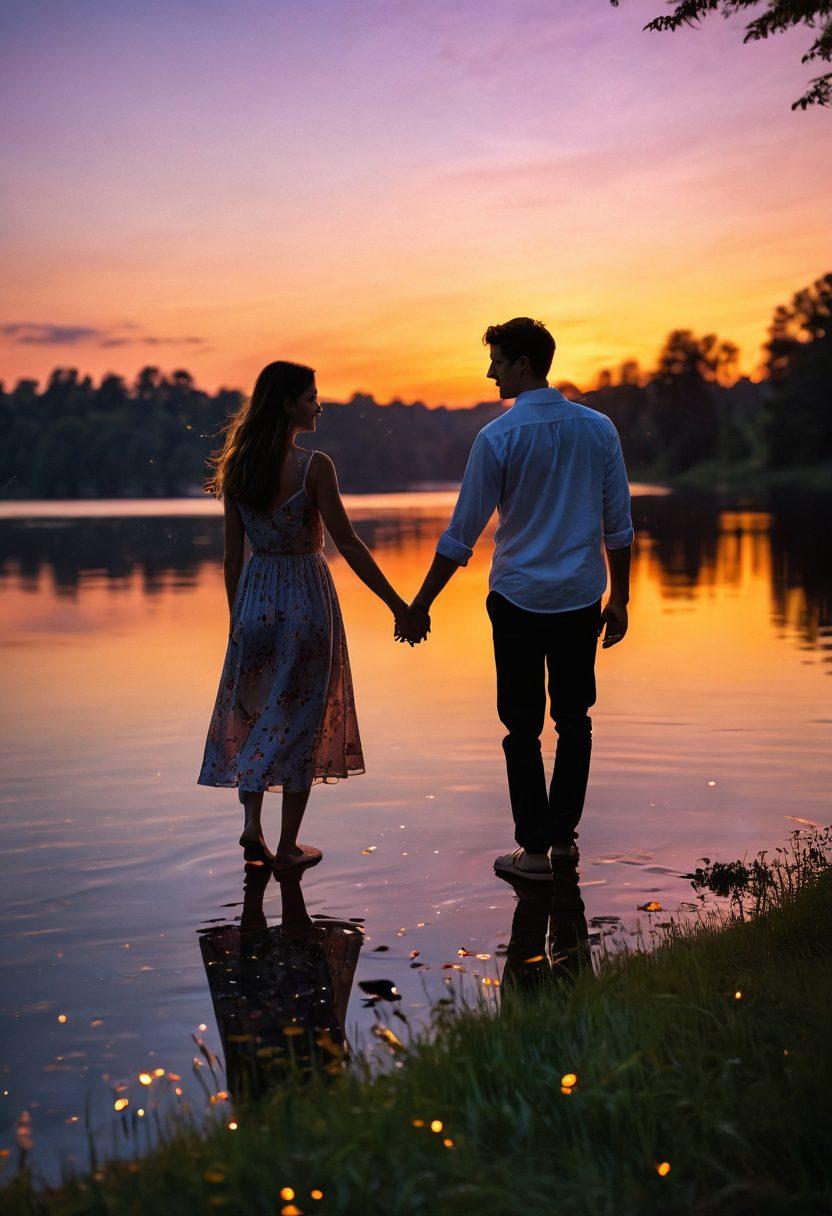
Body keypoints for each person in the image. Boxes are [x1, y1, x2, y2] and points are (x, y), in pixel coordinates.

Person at [399, 318, 633, 881]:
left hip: (519, 600)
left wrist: (421, 603)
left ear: (523, 364)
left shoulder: (497, 438)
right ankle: (563, 844)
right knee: (575, 720)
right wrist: (620, 598)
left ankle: (532, 852)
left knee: (522, 726)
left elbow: (462, 535)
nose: (489, 372)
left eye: (497, 362)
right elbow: (619, 526)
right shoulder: (599, 429)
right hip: (579, 597)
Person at [198, 360, 426, 872]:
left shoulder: (237, 470)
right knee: (301, 721)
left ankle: (251, 824)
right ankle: (286, 847)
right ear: (287, 404)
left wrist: (239, 620)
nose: (318, 405)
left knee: (252, 713)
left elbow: (232, 558)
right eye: (311, 396)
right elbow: (347, 542)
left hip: (255, 600)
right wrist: (400, 606)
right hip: (305, 601)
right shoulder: (314, 466)